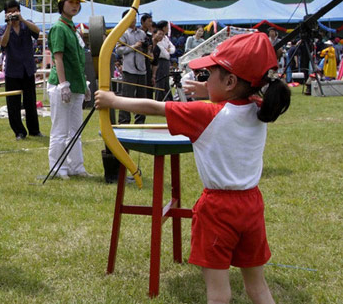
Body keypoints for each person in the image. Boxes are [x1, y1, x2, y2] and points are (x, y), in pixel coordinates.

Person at [96, 32, 290, 304]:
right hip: (252, 205)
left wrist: (112, 101)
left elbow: (155, 107)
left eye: (209, 75)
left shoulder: (205, 114)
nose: (204, 80)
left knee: (219, 293)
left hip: (218, 209)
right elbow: (234, 102)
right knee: (257, 287)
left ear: (231, 81)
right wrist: (208, 91)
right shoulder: (260, 108)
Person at [47, 0, 91, 180]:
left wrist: (84, 84)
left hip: (77, 84)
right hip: (61, 85)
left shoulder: (73, 28)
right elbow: (58, 58)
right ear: (61, 4)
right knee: (60, 130)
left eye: (77, 3)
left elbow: (78, 60)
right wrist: (63, 84)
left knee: (76, 130)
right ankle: (58, 168)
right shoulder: (59, 27)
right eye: (70, 2)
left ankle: (76, 167)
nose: (75, 5)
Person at [0, 0, 43, 140]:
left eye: (15, 11)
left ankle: (34, 130)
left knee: (31, 101)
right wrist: (8, 25)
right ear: (5, 14)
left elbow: (37, 31)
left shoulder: (26, 24)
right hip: (12, 71)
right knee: (13, 104)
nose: (13, 14)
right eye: (9, 12)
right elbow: (3, 43)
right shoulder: (3, 28)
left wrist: (22, 19)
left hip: (27, 69)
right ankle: (19, 131)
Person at [115, 9, 148, 124]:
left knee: (142, 98)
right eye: (130, 17)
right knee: (126, 97)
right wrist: (134, 46)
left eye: (134, 17)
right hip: (129, 70)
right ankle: (124, 121)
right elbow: (118, 50)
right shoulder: (122, 33)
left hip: (141, 69)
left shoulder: (142, 33)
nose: (133, 19)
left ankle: (140, 121)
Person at [152, 22, 176, 101]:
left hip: (166, 62)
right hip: (161, 61)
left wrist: (169, 50)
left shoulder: (166, 38)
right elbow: (164, 53)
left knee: (166, 81)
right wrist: (167, 51)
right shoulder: (158, 37)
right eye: (167, 27)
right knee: (160, 81)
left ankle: (167, 99)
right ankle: (159, 99)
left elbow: (173, 48)